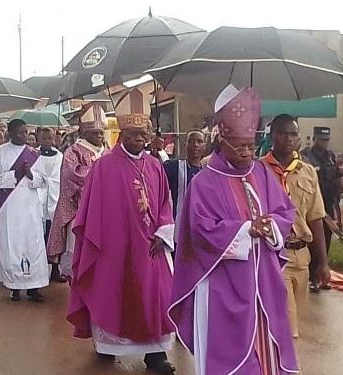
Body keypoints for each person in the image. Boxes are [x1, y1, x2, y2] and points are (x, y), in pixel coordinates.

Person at [169, 86, 299, 375]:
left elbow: (285, 211)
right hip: (221, 284)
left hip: (262, 279)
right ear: (222, 142)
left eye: (250, 146)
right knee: (229, 355)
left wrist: (271, 227)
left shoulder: (262, 173)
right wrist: (244, 231)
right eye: (239, 146)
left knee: (266, 350)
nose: (246, 153)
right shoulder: (204, 183)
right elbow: (199, 233)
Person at [67, 87, 176, 374]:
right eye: (132, 135)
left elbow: (166, 203)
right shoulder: (103, 167)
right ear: (122, 135)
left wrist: (163, 232)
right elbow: (89, 212)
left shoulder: (155, 166)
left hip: (151, 248)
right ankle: (108, 347)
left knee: (156, 296)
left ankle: (155, 355)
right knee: (112, 292)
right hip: (113, 249)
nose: (138, 140)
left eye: (142, 135)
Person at [261, 114, 331, 338]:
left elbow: (315, 218)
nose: (288, 139)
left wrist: (323, 262)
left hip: (302, 256)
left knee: (293, 324)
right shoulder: (258, 171)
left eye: (293, 134)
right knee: (287, 330)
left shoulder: (307, 171)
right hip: (273, 256)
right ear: (272, 136)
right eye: (282, 133)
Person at [0, 119, 49, 302]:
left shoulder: (34, 154)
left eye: (26, 132)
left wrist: (31, 176)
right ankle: (14, 286)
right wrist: (15, 175)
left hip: (29, 208)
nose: (24, 136)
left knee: (33, 244)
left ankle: (34, 287)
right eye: (20, 133)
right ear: (10, 134)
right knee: (11, 245)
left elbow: (44, 181)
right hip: (8, 207)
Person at [47, 103, 108, 282]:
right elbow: (70, 175)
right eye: (95, 133)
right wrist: (98, 173)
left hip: (106, 211)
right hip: (80, 208)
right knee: (79, 252)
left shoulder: (108, 151)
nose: (99, 136)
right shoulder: (73, 152)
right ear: (85, 133)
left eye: (101, 132)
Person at [301, 126, 343, 291]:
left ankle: (319, 275)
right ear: (314, 138)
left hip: (328, 204)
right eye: (321, 140)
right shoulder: (304, 156)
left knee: (326, 241)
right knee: (312, 241)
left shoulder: (330, 156)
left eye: (327, 140)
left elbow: (339, 178)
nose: (324, 143)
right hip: (310, 207)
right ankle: (311, 277)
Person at [162, 130, 205, 244]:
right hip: (178, 229)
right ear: (185, 144)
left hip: (201, 231)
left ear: (204, 146)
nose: (195, 145)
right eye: (191, 141)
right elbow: (155, 176)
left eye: (199, 141)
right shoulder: (174, 167)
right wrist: (156, 152)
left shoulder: (208, 173)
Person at [35, 128, 64, 281]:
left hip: (55, 198)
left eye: (49, 138)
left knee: (55, 236)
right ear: (38, 139)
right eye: (43, 138)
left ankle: (54, 269)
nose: (47, 141)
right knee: (39, 236)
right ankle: (39, 271)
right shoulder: (33, 155)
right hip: (37, 199)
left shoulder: (60, 157)